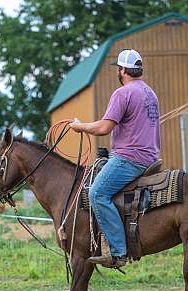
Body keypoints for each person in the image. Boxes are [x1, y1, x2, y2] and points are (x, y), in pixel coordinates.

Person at [69, 49, 160, 267]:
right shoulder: (150, 93)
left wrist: (79, 126)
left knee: (97, 193)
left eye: (118, 69)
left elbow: (103, 127)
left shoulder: (123, 93)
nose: (118, 72)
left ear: (122, 70)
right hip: (150, 157)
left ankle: (118, 252)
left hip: (130, 159)